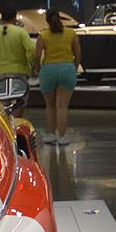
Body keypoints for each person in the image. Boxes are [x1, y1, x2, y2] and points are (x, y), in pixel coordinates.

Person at [34, 9, 82, 145]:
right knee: (62, 106)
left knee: (50, 106)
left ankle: (51, 134)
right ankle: (62, 137)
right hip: (67, 69)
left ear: (47, 20)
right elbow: (78, 53)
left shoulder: (42, 35)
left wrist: (38, 69)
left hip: (48, 70)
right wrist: (74, 66)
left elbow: (37, 56)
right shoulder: (71, 34)